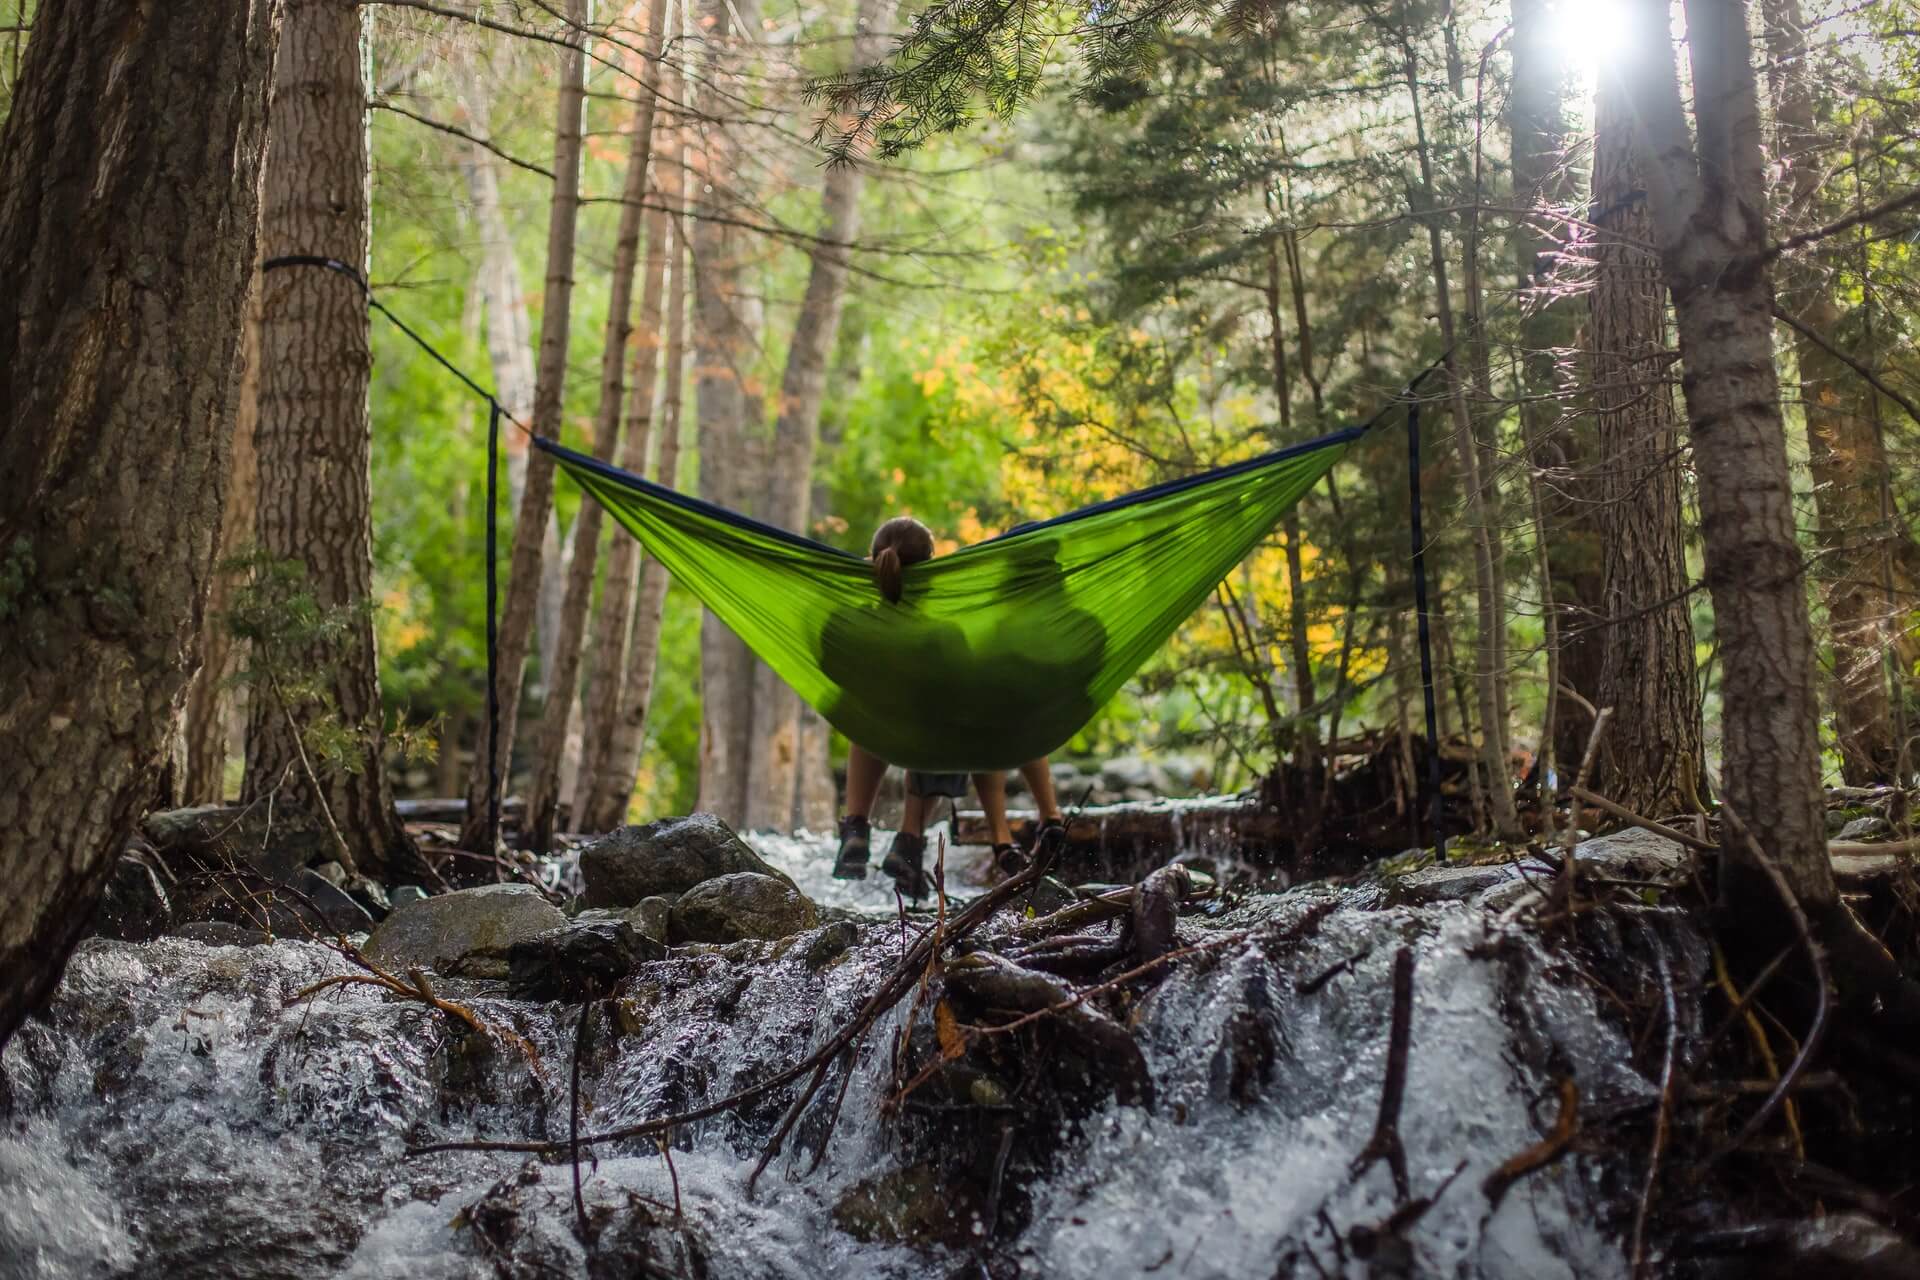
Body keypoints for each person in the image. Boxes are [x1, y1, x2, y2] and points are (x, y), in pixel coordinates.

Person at [829, 515, 1065, 897]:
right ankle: (925, 839)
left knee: (869, 713)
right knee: (958, 713)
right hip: (932, 743)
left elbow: (827, 668)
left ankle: (857, 825)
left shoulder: (849, 623)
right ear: (931, 571)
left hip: (877, 733)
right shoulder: (944, 633)